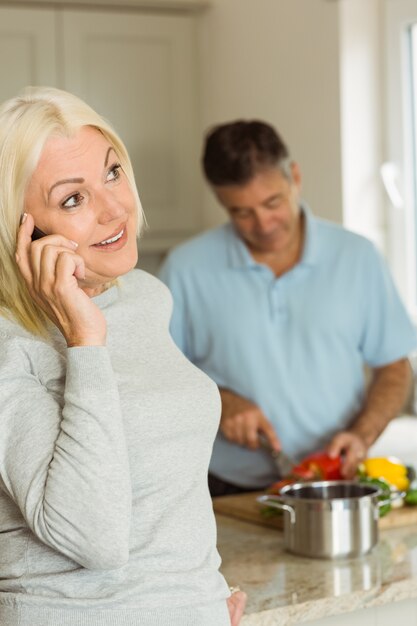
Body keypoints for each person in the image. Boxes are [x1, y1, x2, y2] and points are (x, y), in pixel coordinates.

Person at [0, 86, 246, 626]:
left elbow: (167, 481)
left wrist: (198, 590)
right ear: (22, 230)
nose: (115, 208)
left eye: (112, 173)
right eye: (73, 198)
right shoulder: (10, 342)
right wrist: (85, 342)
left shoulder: (143, 295)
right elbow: (93, 538)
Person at [159, 120, 417, 497]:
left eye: (272, 202)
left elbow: (394, 368)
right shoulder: (184, 269)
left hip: (337, 484)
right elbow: (156, 375)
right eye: (241, 212)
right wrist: (220, 401)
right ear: (221, 201)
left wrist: (362, 435)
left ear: (295, 177)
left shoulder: (357, 257)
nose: (263, 224)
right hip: (224, 490)